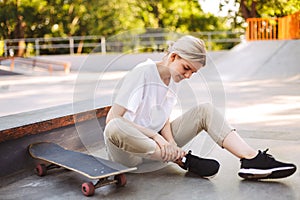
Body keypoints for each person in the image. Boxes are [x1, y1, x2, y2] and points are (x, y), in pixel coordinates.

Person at [104, 35, 296, 179]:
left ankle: (251, 159)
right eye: (186, 68)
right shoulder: (143, 72)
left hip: (158, 149)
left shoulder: (171, 80)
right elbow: (113, 119)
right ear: (173, 57)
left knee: (205, 109)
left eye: (193, 73)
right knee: (114, 126)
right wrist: (155, 137)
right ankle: (181, 158)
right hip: (130, 152)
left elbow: (164, 119)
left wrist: (170, 142)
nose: (188, 76)